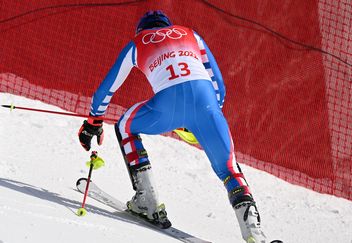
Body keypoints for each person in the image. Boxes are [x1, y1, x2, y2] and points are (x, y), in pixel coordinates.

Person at [78, 10, 267, 243]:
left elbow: (108, 86)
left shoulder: (137, 44)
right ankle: (254, 233)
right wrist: (206, 117)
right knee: (229, 168)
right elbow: (218, 82)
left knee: (126, 125)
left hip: (166, 107)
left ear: (141, 30)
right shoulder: (191, 34)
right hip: (207, 106)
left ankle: (147, 201)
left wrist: (94, 120)